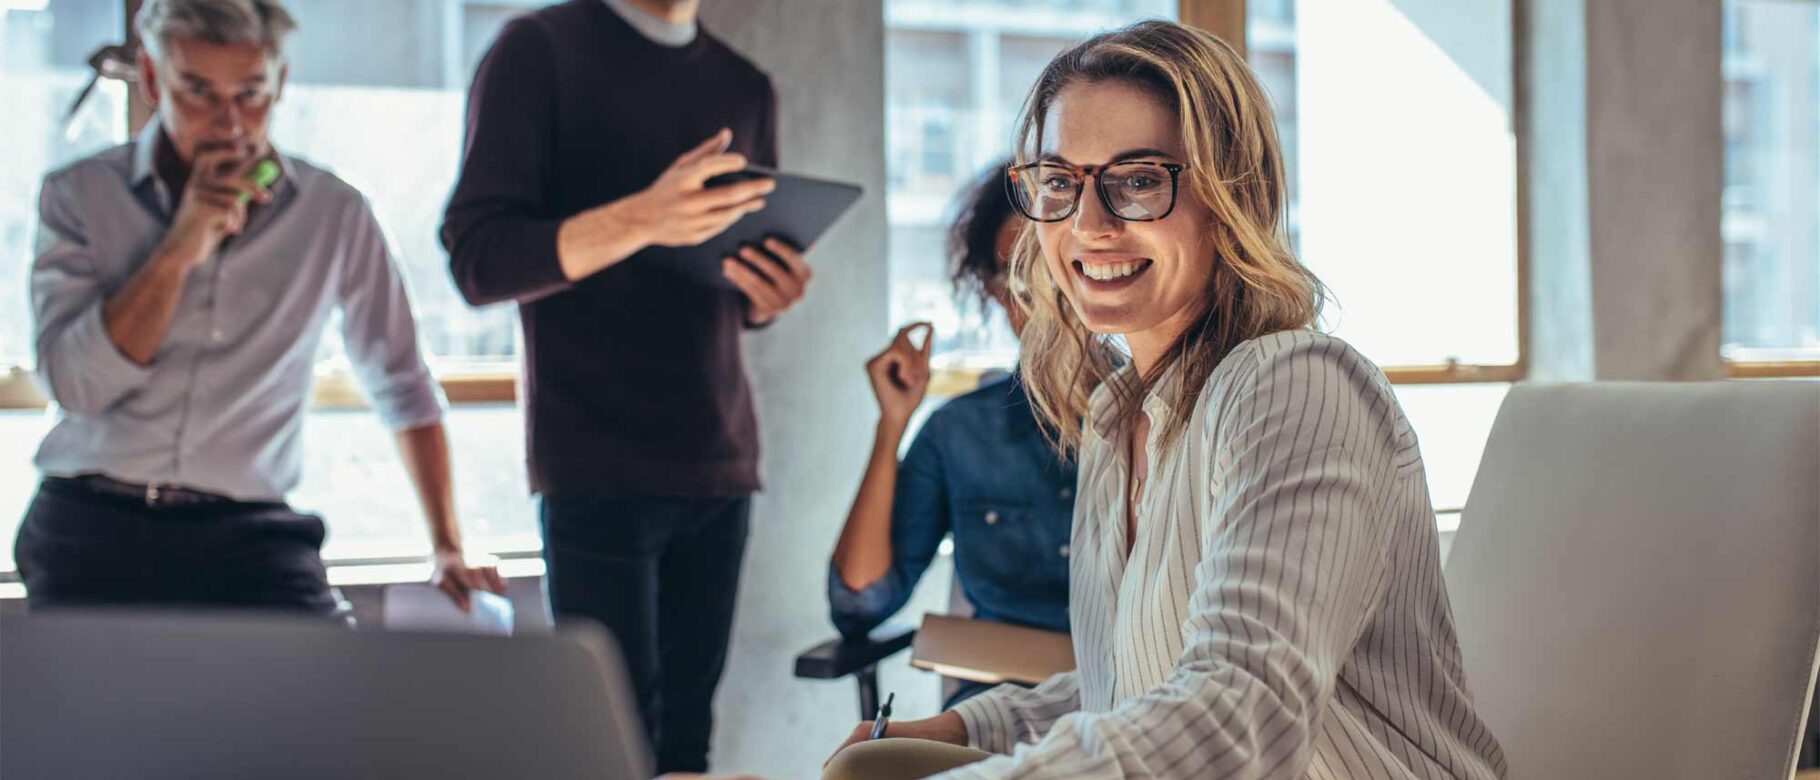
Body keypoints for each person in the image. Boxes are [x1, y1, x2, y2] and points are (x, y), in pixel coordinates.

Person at [678, 19, 1510, 780]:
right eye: (1058, 182)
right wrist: (968, 732)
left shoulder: (1297, 388)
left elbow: (1235, 714)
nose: (1090, 225)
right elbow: (1126, 688)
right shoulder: (1117, 420)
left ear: (1232, 196)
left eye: (1139, 181)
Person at [17, 0, 502, 616]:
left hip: (249, 531)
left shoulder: (335, 213)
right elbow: (76, 388)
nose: (229, 124)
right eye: (198, 92)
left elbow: (402, 382)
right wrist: (176, 251)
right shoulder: (78, 196)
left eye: (251, 94)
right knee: (89, 710)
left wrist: (449, 545)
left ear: (280, 82)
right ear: (150, 78)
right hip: (92, 518)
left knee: (325, 700)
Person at [439, 0, 811, 773]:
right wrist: (643, 216)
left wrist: (764, 297)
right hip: (594, 462)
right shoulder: (536, 49)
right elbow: (479, 260)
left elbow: (729, 281)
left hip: (720, 459)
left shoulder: (745, 85)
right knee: (609, 749)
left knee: (684, 750)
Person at [827, 161, 1074, 709]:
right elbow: (860, 601)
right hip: (993, 708)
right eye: (1015, 281)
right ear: (991, 293)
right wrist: (892, 424)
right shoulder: (961, 432)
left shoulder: (1159, 417)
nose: (1039, 300)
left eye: (1052, 272)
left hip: (1129, 712)